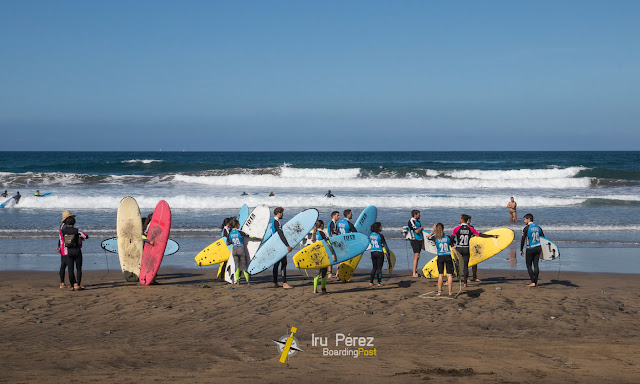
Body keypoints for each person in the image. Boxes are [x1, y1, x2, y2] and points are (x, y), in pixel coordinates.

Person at [451, 214, 498, 286]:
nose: (459, 219)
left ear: (462, 219)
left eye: (460, 218)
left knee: (458, 265)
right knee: (466, 266)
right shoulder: (470, 229)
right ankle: (465, 283)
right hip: (466, 248)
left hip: (459, 248)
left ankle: (456, 279)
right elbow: (481, 235)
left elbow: (451, 239)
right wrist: (492, 236)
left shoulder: (456, 229)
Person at [58, 211, 88, 291]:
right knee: (78, 268)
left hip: (68, 251)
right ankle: (77, 284)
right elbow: (85, 236)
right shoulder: (76, 230)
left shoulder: (62, 230)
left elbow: (61, 240)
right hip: (76, 250)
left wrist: (60, 248)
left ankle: (72, 285)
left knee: (69, 269)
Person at [226, 219, 262, 285]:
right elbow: (249, 236)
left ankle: (238, 281)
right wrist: (259, 239)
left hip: (234, 250)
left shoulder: (230, 234)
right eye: (238, 224)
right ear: (236, 225)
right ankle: (248, 281)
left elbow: (228, 243)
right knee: (244, 266)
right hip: (241, 249)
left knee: (237, 266)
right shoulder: (239, 232)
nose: (239, 225)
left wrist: (233, 242)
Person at [428, 223, 456, 297]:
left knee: (440, 275)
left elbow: (428, 237)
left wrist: (433, 231)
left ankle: (439, 292)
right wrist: (457, 257)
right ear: (443, 229)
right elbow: (453, 248)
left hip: (440, 257)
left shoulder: (435, 237)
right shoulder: (448, 237)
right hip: (448, 256)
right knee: (449, 275)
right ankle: (450, 292)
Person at [268, 207, 293, 289]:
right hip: (279, 246)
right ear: (278, 213)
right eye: (282, 213)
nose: (283, 214)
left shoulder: (272, 222)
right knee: (284, 263)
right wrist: (287, 245)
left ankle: (275, 282)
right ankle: (285, 283)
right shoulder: (277, 222)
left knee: (276, 264)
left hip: (274, 245)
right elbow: (280, 234)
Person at [311, 220, 336, 294]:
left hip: (317, 254)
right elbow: (328, 244)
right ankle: (323, 289)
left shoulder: (315, 233)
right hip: (322, 255)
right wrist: (333, 254)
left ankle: (315, 290)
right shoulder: (322, 233)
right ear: (321, 225)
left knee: (317, 273)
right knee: (324, 272)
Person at [520, 213, 545, 288]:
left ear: (529, 219)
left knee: (529, 265)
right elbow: (543, 238)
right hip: (538, 248)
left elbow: (523, 239)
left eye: (524, 219)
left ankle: (532, 282)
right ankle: (536, 282)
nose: (524, 221)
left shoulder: (526, 228)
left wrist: (521, 249)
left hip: (530, 248)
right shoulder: (538, 227)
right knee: (536, 265)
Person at [368, 222, 389, 287]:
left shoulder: (370, 235)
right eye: (380, 226)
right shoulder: (380, 235)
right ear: (378, 228)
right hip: (379, 252)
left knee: (374, 268)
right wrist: (388, 253)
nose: (381, 228)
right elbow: (385, 246)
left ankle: (371, 282)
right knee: (379, 268)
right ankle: (379, 282)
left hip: (373, 252)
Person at [408, 210, 424, 277]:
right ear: (415, 214)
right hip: (415, 240)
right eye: (418, 214)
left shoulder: (418, 221)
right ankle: (414, 273)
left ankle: (416, 271)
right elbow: (417, 231)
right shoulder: (411, 221)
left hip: (419, 239)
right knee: (416, 256)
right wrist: (421, 228)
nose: (420, 215)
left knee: (418, 256)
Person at [327, 211, 340, 278]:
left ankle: (336, 273)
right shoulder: (332, 223)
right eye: (337, 215)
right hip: (332, 242)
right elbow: (332, 234)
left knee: (334, 257)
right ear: (333, 216)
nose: (339, 217)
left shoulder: (335, 223)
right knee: (335, 257)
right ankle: (331, 273)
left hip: (333, 241)